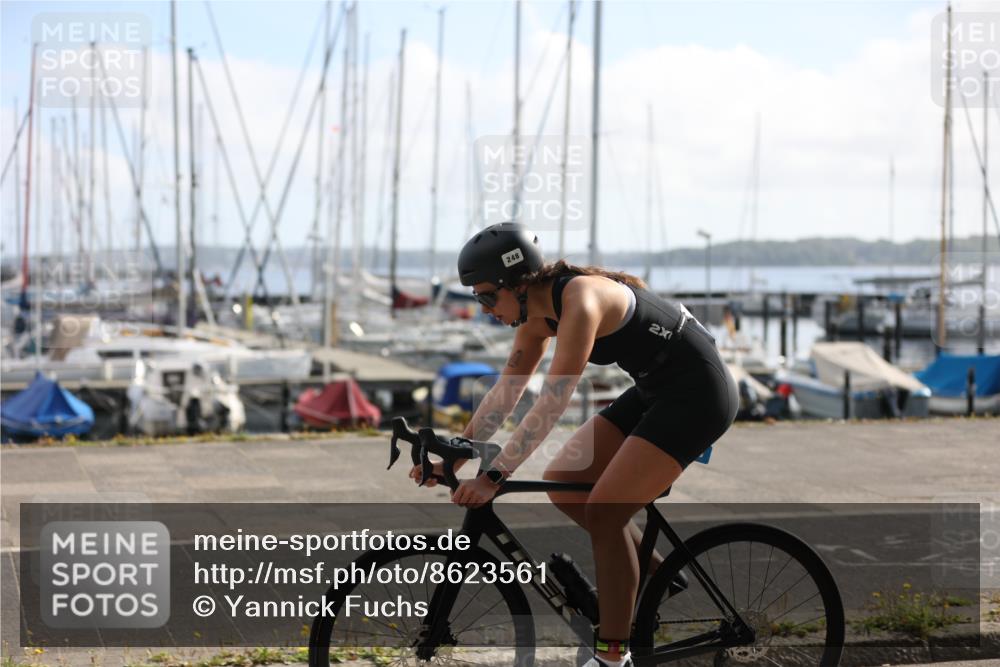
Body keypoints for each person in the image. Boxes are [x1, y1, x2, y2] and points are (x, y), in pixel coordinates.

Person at [410, 222, 738, 667]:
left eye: (487, 296)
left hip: (699, 394)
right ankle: (659, 577)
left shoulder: (580, 300)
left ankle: (612, 657)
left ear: (517, 284)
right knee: (565, 482)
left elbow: (553, 400)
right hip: (654, 389)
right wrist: (457, 455)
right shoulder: (534, 317)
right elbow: (506, 391)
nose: (484, 309)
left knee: (605, 511)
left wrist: (495, 475)